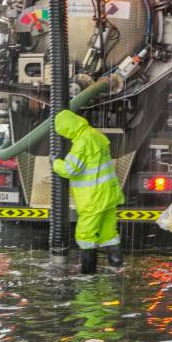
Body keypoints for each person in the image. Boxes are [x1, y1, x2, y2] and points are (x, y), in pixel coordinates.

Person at [51, 110, 124, 274]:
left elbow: (70, 169)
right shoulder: (94, 134)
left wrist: (55, 163)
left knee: (85, 235)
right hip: (109, 194)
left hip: (94, 198)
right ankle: (117, 266)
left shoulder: (82, 142)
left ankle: (88, 273)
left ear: (67, 128)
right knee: (108, 233)